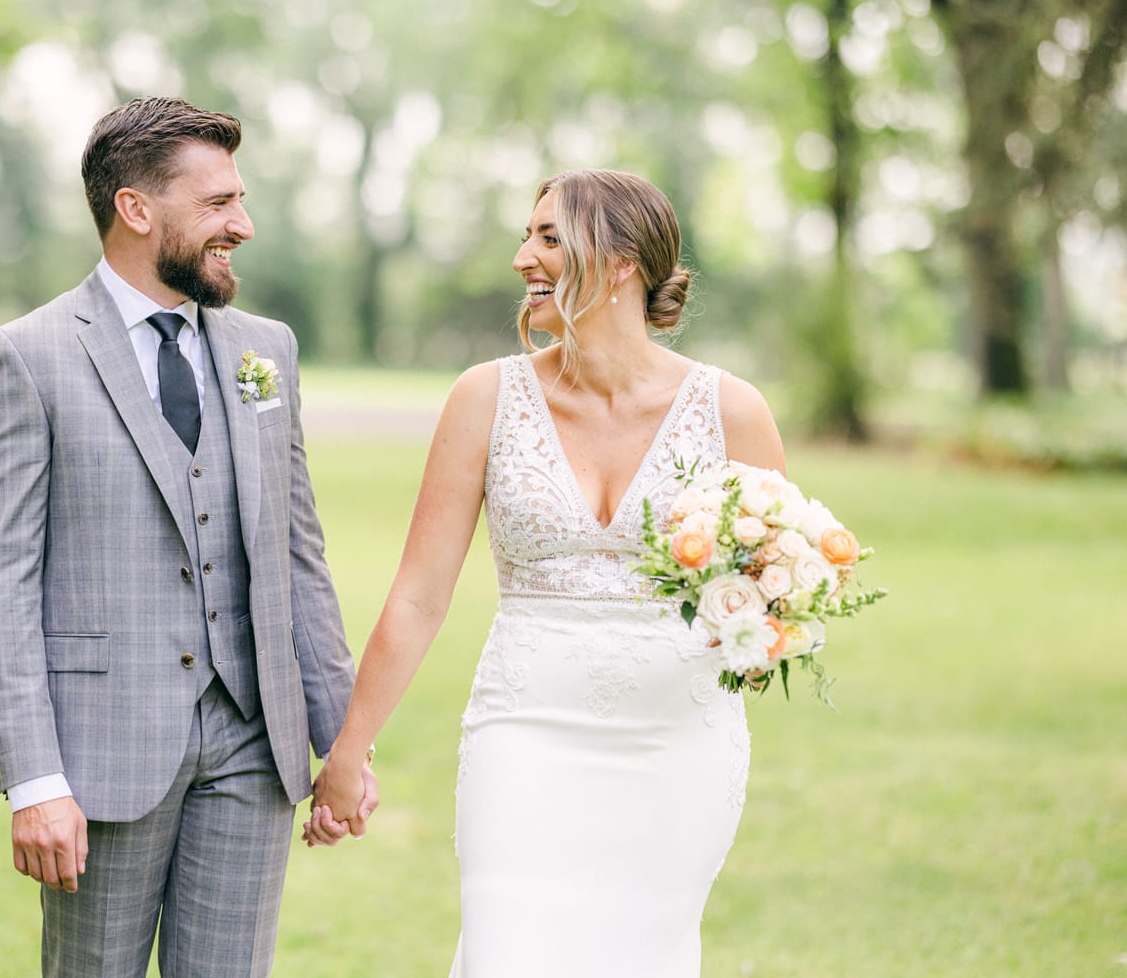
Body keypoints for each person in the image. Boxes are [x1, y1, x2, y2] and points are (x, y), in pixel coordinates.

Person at [305, 169, 786, 975]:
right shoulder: (483, 398)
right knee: (507, 953)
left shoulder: (732, 411)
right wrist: (351, 749)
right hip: (522, 733)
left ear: (624, 260)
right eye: (527, 236)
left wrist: (751, 626)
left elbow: (778, 594)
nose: (525, 255)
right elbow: (421, 596)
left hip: (677, 744)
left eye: (549, 238)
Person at [0, 96, 377, 978]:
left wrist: (343, 744)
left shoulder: (269, 351)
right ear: (136, 209)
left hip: (252, 746)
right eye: (218, 203)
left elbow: (299, 553)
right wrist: (35, 781)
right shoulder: (27, 357)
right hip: (102, 756)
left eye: (241, 200)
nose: (244, 226)